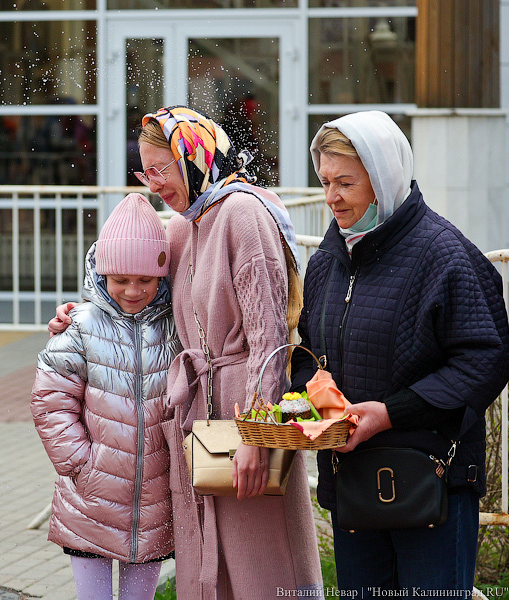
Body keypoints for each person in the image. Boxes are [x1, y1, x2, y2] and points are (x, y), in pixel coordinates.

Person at [50, 105, 322, 598]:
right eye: (145, 173)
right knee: (206, 560)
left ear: (194, 158)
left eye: (162, 169)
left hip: (244, 411)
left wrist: (258, 436)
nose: (154, 184)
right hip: (194, 417)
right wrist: (82, 317)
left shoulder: (243, 213)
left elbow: (268, 337)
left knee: (262, 560)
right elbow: (138, 300)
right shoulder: (180, 226)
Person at [290, 110, 509, 594]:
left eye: (345, 183)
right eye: (325, 182)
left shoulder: (446, 255)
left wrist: (389, 414)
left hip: (431, 487)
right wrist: (309, 395)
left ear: (383, 176)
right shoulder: (327, 261)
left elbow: (484, 359)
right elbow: (306, 351)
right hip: (352, 485)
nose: (331, 197)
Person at [31, 193, 180, 600]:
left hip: (153, 502)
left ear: (162, 277)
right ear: (102, 274)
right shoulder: (80, 325)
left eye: (145, 280)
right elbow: (51, 401)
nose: (133, 290)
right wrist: (80, 464)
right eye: (120, 280)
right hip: (90, 498)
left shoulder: (175, 324)